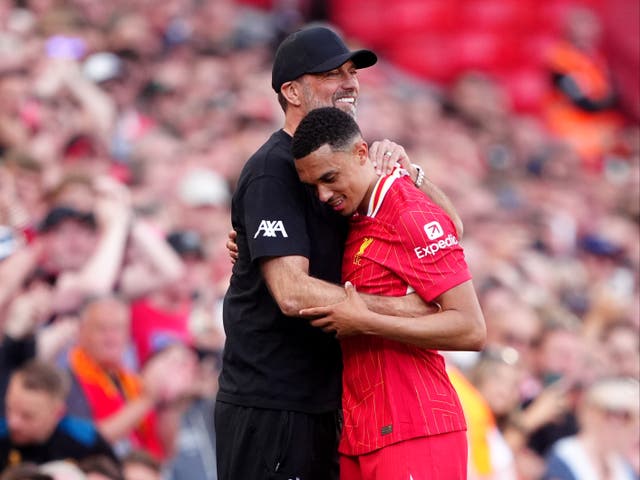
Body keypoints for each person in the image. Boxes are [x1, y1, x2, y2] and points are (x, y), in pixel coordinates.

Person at [216, 24, 462, 480]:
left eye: (352, 71)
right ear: (291, 90)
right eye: (332, 73)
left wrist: (413, 174)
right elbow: (291, 292)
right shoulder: (273, 170)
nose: (349, 82)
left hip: (330, 403)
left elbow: (452, 227)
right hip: (274, 400)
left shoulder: (344, 165)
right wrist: (406, 309)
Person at [291, 106, 486, 479]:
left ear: (362, 153)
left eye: (330, 177)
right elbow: (453, 226)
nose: (323, 194)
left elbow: (471, 328)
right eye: (313, 185)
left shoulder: (406, 212)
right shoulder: (358, 213)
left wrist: (367, 321)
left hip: (415, 427)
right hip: (363, 429)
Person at [0, 360, 117, 471]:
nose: (13, 422)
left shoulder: (86, 441)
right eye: (10, 409)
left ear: (58, 413)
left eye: (27, 416)